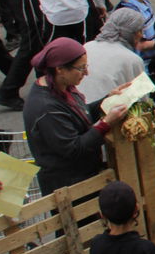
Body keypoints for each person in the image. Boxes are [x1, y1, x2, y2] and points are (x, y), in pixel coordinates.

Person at [25, 38, 129, 195]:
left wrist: (107, 100)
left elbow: (80, 114)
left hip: (85, 175)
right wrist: (105, 124)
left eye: (86, 66)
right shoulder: (47, 108)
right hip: (70, 188)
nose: (86, 73)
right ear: (60, 69)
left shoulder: (64, 86)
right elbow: (74, 149)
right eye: (81, 68)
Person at [78, 8, 146, 102]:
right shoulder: (132, 60)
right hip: (107, 109)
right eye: (139, 31)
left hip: (78, 105)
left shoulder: (87, 46)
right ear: (130, 33)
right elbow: (142, 98)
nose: (142, 35)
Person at [116, 0, 155, 74]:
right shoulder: (131, 12)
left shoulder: (145, 3)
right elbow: (140, 45)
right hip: (144, 67)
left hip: (154, 62)